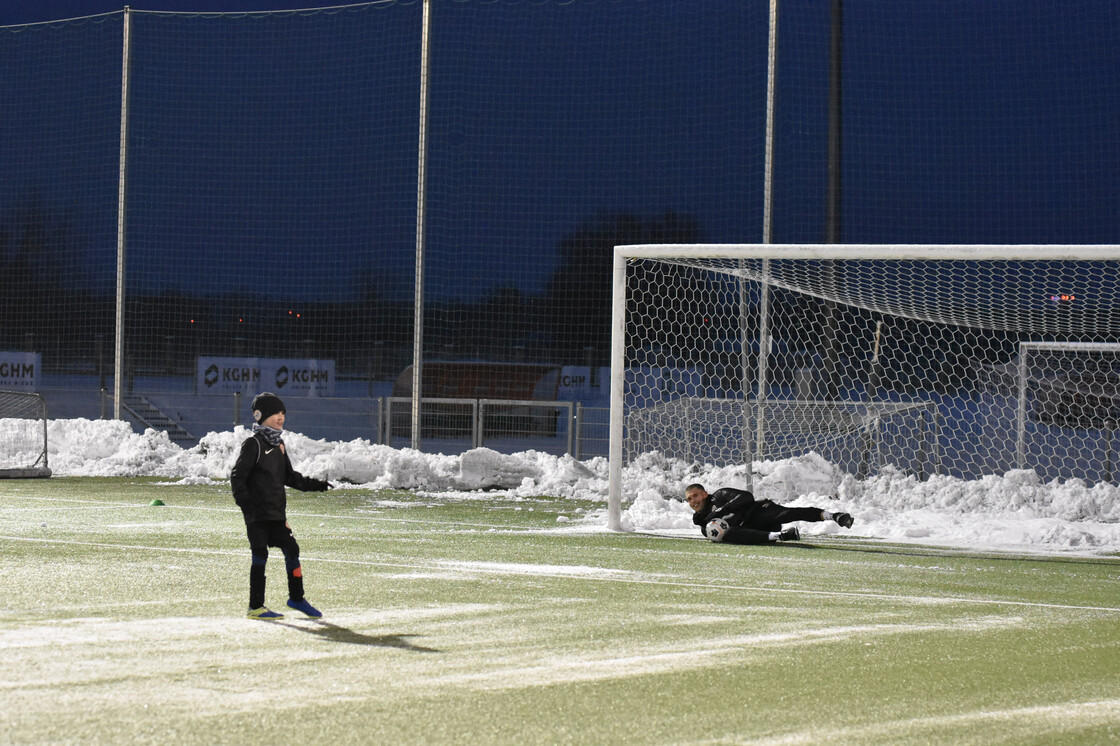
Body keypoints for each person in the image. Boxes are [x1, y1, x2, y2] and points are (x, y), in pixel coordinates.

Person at [231, 392, 331, 620]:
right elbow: (237, 477)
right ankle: (256, 607)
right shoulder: (253, 444)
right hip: (257, 515)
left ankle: (296, 598)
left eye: (283, 412)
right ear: (261, 416)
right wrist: (247, 506)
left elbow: (290, 477)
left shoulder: (279, 444)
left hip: (276, 514)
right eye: (276, 412)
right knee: (260, 555)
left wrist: (317, 485)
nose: (281, 417)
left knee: (292, 549)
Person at [684, 483, 853, 545]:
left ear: (705, 494)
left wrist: (722, 510)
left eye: (695, 496)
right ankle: (781, 536)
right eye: (689, 499)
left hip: (759, 512)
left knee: (787, 514)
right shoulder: (705, 525)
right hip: (756, 532)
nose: (693, 501)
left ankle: (835, 516)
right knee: (729, 534)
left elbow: (746, 497)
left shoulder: (720, 495)